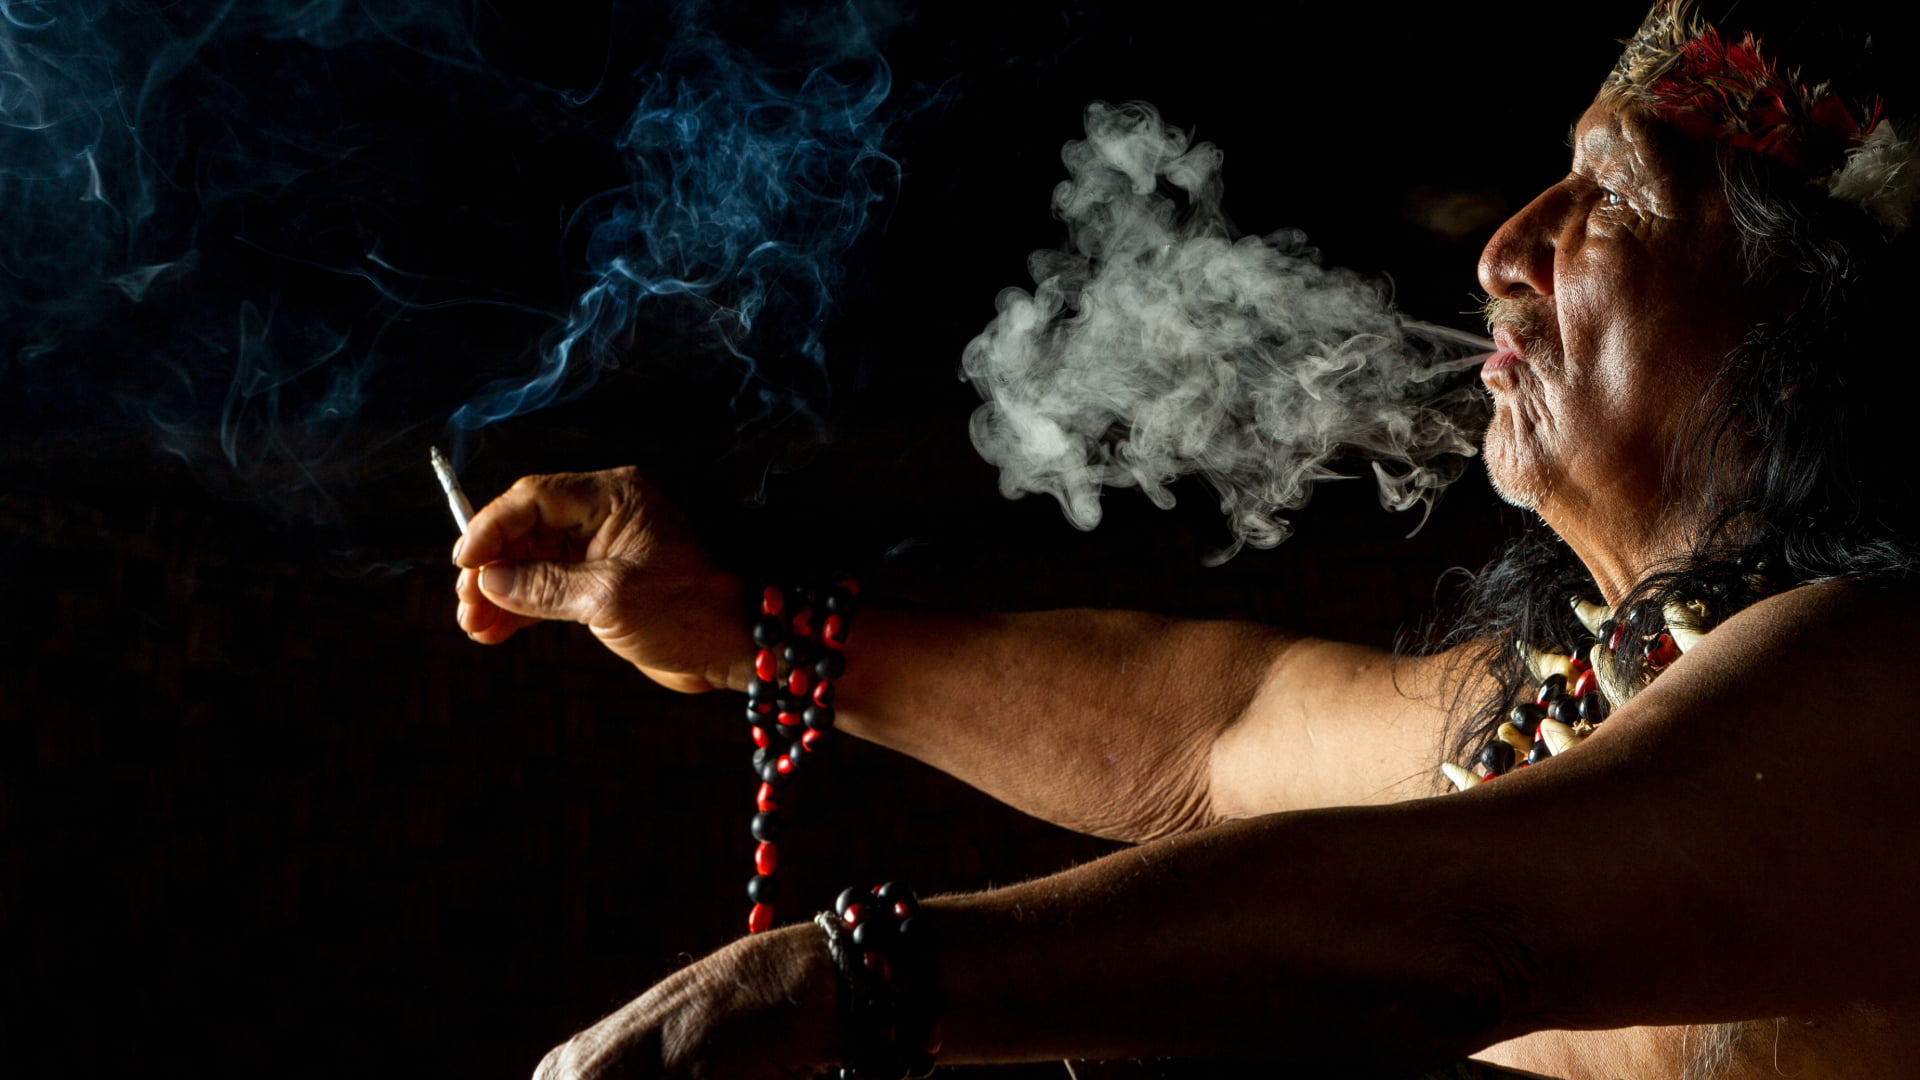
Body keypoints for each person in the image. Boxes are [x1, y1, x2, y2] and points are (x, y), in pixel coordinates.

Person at [452, 2, 1920, 1077]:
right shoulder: (1586, 704)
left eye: (1611, 198)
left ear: (1811, 335)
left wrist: (841, 978)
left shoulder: (1881, 684)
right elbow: (1215, 735)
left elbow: (1460, 923)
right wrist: (749, 633)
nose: (1504, 250)